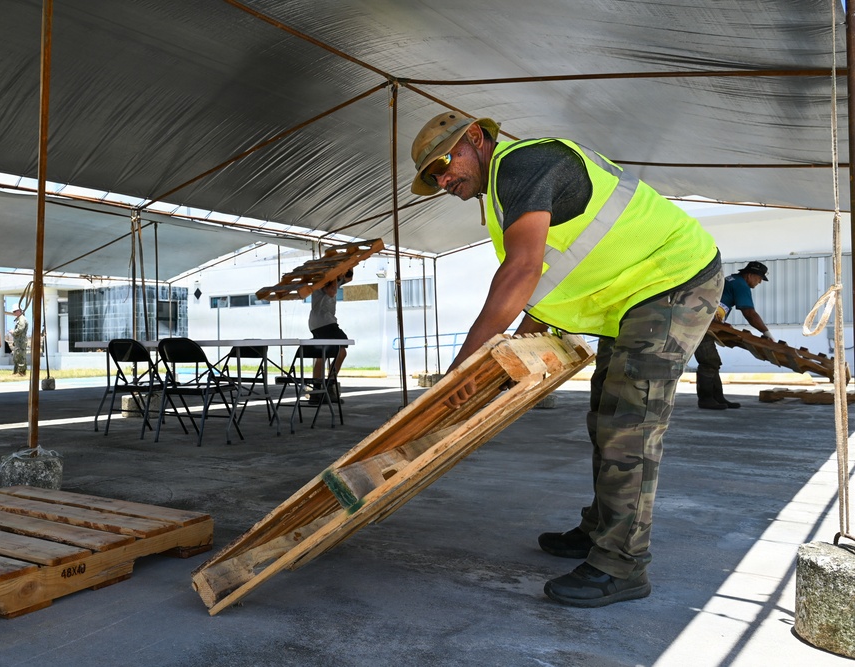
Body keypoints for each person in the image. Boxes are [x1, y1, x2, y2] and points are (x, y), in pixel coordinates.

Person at [410, 111, 723, 607]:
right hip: (633, 299)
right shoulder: (507, 195)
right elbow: (546, 282)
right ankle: (603, 528)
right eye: (433, 176)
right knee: (605, 416)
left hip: (671, 281)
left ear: (475, 137)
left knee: (629, 427)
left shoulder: (524, 164)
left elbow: (523, 271)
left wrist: (464, 368)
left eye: (444, 163)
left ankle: (621, 565)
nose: (443, 179)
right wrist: (512, 354)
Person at [693, 261, 772, 410]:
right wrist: (766, 333)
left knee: (713, 361)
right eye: (759, 278)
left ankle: (717, 398)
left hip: (705, 323)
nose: (760, 282)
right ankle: (706, 399)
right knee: (709, 361)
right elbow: (749, 313)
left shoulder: (732, 280)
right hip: (700, 325)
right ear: (749, 275)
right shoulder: (741, 284)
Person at [308, 268, 354, 403]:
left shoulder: (334, 280)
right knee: (341, 351)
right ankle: (329, 386)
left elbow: (349, 278)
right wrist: (336, 275)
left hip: (317, 323)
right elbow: (331, 291)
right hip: (325, 322)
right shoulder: (324, 279)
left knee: (322, 355)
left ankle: (316, 391)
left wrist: (349, 268)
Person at [9, 303, 29, 376]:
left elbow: (20, 329)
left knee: (20, 357)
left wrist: (13, 332)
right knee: (17, 356)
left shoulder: (22, 319)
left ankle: (21, 372)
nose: (13, 313)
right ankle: (17, 371)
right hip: (19, 341)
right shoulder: (20, 319)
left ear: (19, 311)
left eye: (14, 311)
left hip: (21, 341)